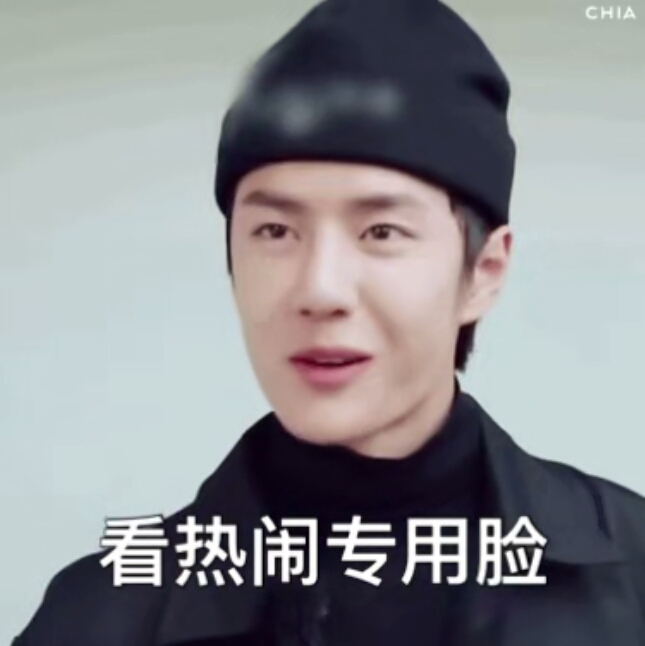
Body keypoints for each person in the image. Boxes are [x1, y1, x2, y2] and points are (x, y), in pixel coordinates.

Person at [13, 0, 645, 644]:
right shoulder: (100, 617)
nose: (319, 289)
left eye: (381, 231)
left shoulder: (632, 577)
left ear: (483, 271)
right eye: (275, 231)